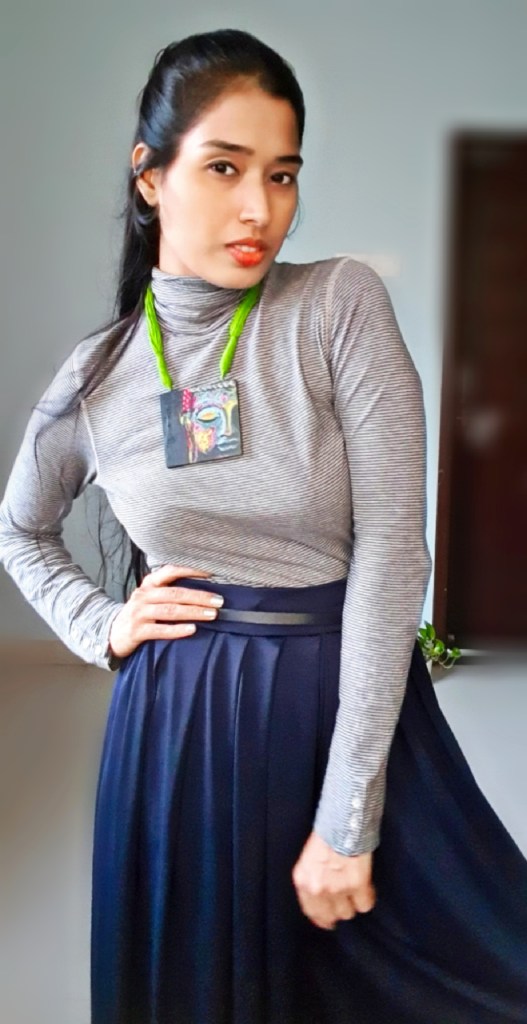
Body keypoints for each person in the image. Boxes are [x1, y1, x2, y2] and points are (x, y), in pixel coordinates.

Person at [0, 27, 526, 1024]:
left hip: (339, 706)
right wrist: (100, 623)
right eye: (224, 167)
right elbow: (19, 529)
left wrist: (346, 817)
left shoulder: (335, 305)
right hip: (176, 729)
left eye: (281, 175)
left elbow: (392, 549)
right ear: (149, 177)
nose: (260, 208)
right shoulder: (98, 376)